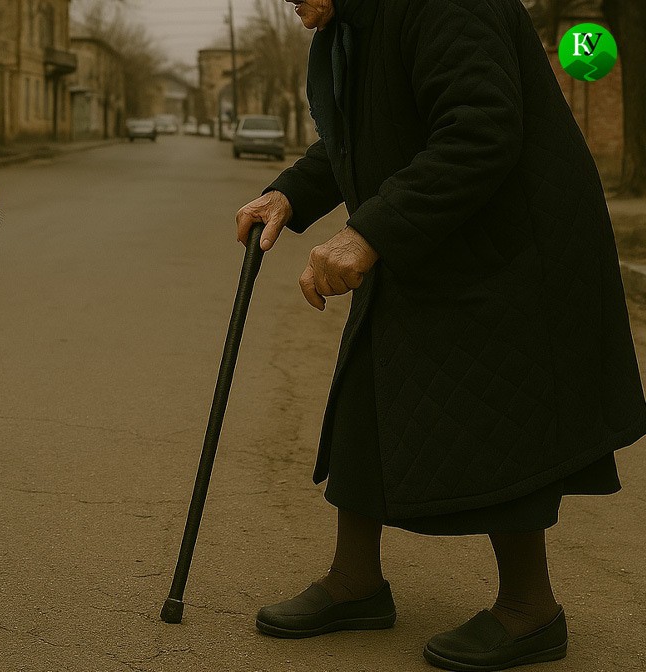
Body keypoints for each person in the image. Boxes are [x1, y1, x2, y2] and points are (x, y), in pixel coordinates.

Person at [236, 0, 646, 669]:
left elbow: (478, 131)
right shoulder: (358, 23)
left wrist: (369, 231)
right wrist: (290, 193)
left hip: (515, 244)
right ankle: (355, 582)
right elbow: (363, 133)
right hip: (443, 231)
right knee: (368, 380)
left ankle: (530, 610)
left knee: (501, 410)